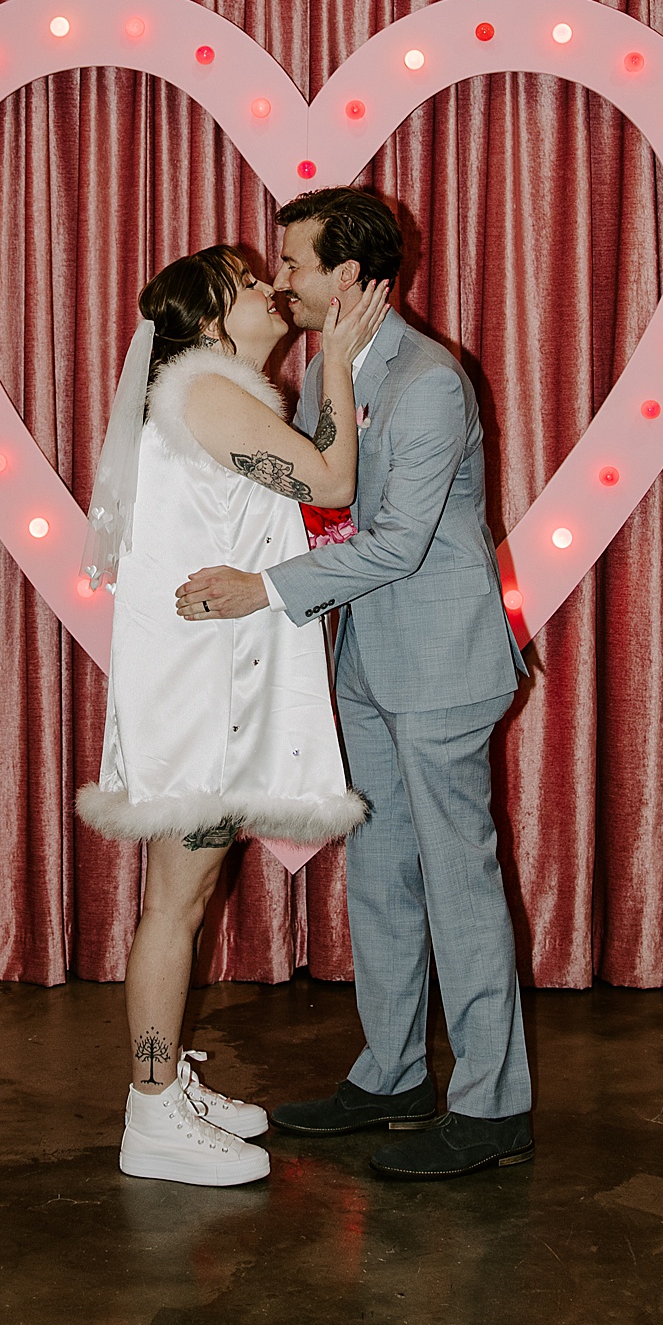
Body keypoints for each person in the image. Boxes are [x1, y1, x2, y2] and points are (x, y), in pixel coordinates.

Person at [176, 189, 533, 1180]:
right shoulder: (338, 369)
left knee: (458, 883)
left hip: (443, 661)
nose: (278, 279)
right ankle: (392, 1076)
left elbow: (397, 544)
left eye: (291, 264)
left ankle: (493, 1106)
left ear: (351, 277)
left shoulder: (425, 382)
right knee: (379, 876)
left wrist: (261, 590)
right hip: (368, 659)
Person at [77, 242, 387, 1189]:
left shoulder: (222, 393)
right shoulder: (206, 394)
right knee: (176, 898)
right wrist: (336, 356)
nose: (273, 290)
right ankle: (152, 1111)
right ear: (212, 319)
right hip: (197, 693)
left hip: (216, 681)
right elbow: (331, 484)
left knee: (191, 891)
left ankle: (166, 1085)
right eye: (252, 286)